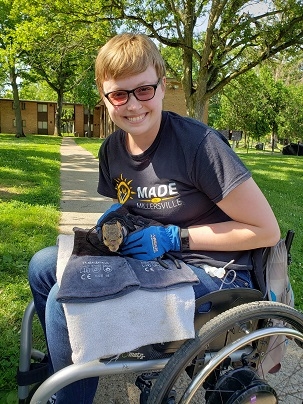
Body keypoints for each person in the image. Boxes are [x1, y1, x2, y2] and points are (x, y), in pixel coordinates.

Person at [28, 33, 280, 403]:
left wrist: (175, 238)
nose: (132, 105)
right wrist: (111, 224)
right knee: (43, 266)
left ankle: (67, 394)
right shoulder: (112, 149)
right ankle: (66, 369)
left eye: (143, 90)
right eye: (119, 94)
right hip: (156, 264)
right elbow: (128, 205)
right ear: (104, 96)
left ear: (162, 87)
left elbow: (265, 230)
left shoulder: (199, 146)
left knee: (67, 300)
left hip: (211, 273)